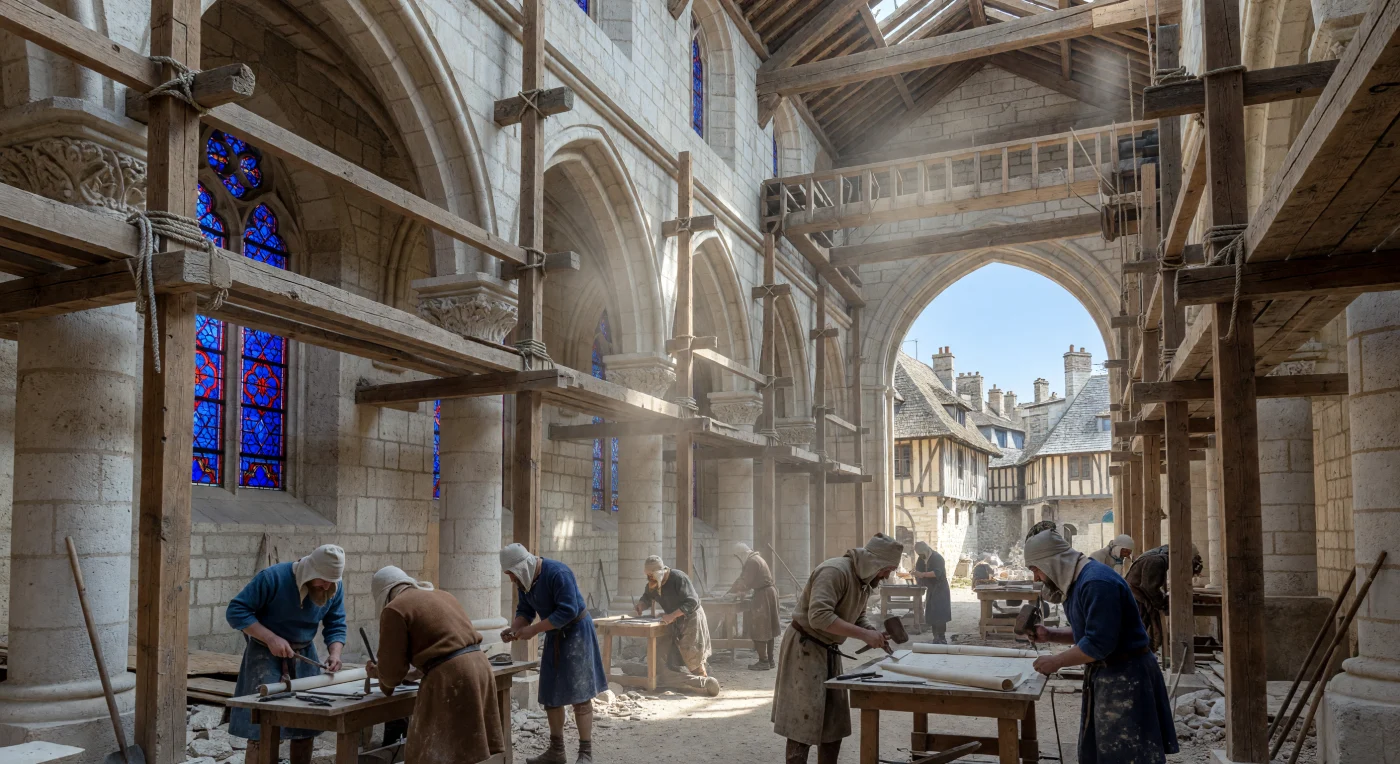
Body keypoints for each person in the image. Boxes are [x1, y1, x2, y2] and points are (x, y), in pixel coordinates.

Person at [1023, 528, 1178, 763]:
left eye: (1036, 569)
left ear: (1051, 562)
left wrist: (1055, 662)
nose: (1036, 577)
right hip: (1109, 673)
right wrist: (1050, 634)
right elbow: (1089, 632)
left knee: (1126, 754)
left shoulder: (1096, 583)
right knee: (1104, 752)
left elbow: (1098, 643)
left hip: (1127, 677)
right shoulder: (1080, 581)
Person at [772, 533, 904, 764]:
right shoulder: (834, 571)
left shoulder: (865, 581)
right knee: (802, 720)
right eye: (887, 569)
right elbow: (819, 617)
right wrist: (864, 634)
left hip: (828, 648)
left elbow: (857, 615)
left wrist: (872, 633)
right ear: (875, 563)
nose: (886, 576)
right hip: (805, 647)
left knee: (834, 720)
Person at [364, 567, 503, 764]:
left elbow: (392, 673)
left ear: (383, 594)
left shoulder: (394, 609)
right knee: (466, 748)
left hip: (451, 676)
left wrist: (378, 674)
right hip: (479, 666)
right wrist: (414, 672)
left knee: (432, 753)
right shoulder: (442, 595)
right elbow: (444, 643)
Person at [226, 544, 347, 764]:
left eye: (332, 581)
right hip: (264, 652)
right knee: (262, 724)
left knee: (306, 724)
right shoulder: (272, 578)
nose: (327, 585)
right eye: (322, 580)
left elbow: (336, 622)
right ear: (310, 570)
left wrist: (335, 653)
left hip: (303, 652)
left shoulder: (333, 586)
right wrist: (271, 638)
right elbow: (235, 611)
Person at [500, 544, 607, 764]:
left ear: (522, 567)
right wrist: (515, 627)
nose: (512, 580)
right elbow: (525, 611)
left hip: (577, 633)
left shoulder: (558, 573)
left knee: (581, 694)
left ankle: (585, 753)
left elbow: (568, 610)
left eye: (511, 574)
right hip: (554, 635)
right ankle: (557, 751)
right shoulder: (525, 580)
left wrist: (533, 630)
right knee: (551, 694)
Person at [635, 555, 720, 695]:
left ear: (658, 573)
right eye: (647, 576)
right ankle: (693, 682)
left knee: (692, 652)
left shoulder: (679, 578)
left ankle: (705, 683)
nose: (649, 579)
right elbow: (647, 596)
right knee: (674, 653)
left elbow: (692, 602)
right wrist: (641, 605)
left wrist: (672, 615)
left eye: (651, 575)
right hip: (675, 620)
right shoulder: (653, 581)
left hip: (691, 617)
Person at [1124, 544, 1203, 654]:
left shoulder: (1160, 557)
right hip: (1137, 597)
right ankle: (1135, 655)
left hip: (1138, 594)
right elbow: (1149, 587)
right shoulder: (1157, 560)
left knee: (1141, 627)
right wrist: (1160, 602)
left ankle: (1140, 653)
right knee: (1139, 627)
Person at [727, 542, 781, 671]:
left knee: (760, 628)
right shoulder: (756, 558)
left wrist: (730, 592)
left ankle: (763, 661)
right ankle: (770, 660)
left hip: (764, 596)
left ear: (741, 554)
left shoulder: (752, 561)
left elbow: (744, 580)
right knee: (769, 629)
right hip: (769, 593)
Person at [912, 541, 950, 643]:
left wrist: (922, 574)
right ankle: (935, 637)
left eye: (921, 554)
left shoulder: (937, 558)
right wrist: (917, 577)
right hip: (931, 588)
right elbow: (918, 570)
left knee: (940, 613)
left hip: (940, 588)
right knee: (932, 613)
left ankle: (941, 637)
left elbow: (937, 573)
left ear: (926, 550)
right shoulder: (921, 558)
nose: (920, 556)